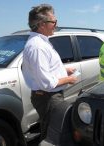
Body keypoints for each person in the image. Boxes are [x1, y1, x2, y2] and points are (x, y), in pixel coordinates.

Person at [22, 4, 77, 140]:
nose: (56, 25)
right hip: (48, 97)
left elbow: (45, 69)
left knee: (51, 128)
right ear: (41, 24)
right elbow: (47, 83)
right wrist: (68, 79)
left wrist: (64, 70)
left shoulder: (41, 42)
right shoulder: (37, 47)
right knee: (51, 133)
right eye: (54, 22)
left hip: (48, 96)